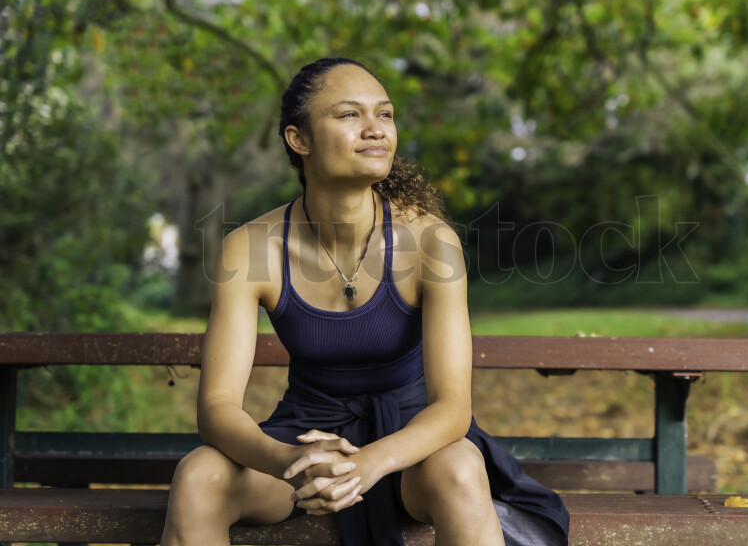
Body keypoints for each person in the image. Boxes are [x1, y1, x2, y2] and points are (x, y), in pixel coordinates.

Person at [160, 58, 569, 546]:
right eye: (350, 115)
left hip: (415, 449)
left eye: (386, 114)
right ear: (299, 139)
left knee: (462, 468)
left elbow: (453, 408)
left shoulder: (430, 241)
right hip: (307, 443)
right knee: (198, 477)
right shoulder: (250, 250)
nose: (376, 130)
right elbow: (217, 408)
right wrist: (290, 462)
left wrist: (367, 463)